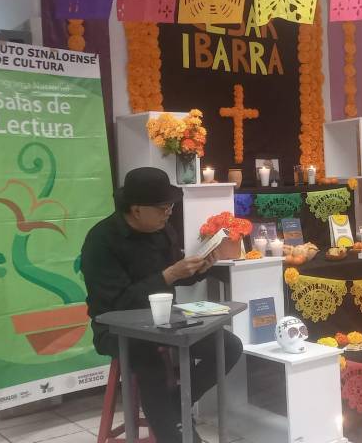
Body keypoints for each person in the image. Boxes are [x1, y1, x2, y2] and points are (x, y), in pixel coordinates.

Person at [81, 167, 243, 443]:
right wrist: (169, 274)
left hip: (165, 319)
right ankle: (178, 434)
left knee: (227, 345)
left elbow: (173, 281)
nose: (169, 212)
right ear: (136, 210)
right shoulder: (101, 241)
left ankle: (176, 403)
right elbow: (114, 305)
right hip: (117, 327)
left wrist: (199, 268)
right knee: (149, 360)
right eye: (162, 207)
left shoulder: (162, 231)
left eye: (170, 206)